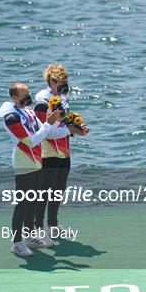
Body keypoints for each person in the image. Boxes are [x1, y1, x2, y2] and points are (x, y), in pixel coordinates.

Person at [0, 82, 61, 256]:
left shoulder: (27, 110)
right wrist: (48, 124)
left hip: (36, 161)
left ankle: (30, 236)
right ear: (14, 98)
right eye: (24, 96)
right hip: (24, 162)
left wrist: (54, 121)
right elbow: (31, 141)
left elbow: (42, 131)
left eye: (29, 94)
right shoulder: (11, 118)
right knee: (23, 203)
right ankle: (17, 243)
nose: (28, 98)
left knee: (33, 200)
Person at [33, 64, 88, 245]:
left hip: (64, 152)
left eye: (66, 83)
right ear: (51, 82)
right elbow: (46, 131)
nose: (65, 87)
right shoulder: (43, 103)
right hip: (48, 153)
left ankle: (52, 226)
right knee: (44, 193)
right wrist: (68, 130)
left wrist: (76, 130)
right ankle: (37, 230)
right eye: (61, 84)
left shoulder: (62, 100)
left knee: (58, 191)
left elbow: (64, 125)